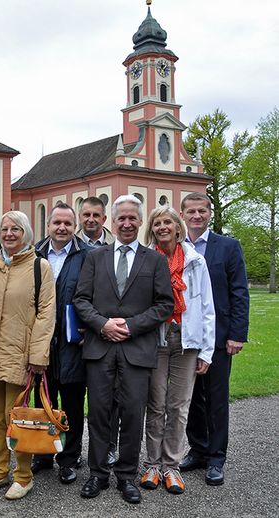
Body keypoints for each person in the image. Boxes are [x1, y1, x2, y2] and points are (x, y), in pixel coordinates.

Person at [74, 194, 174, 504]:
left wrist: (130, 326)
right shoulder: (95, 257)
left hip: (137, 348)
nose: (127, 223)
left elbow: (164, 304)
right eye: (122, 218)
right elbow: (81, 300)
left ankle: (127, 476)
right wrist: (103, 324)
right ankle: (98, 473)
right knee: (99, 412)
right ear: (112, 222)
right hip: (100, 346)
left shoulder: (154, 260)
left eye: (133, 218)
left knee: (132, 414)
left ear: (140, 221)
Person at [0, 210, 55, 500]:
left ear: (25, 233)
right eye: (4, 229)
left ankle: (23, 476)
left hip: (21, 356)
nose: (8, 234)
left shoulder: (40, 267)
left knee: (17, 418)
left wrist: (38, 356)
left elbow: (46, 314)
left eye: (15, 229)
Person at [140, 206, 215, 494]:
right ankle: (152, 464)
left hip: (187, 340)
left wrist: (206, 351)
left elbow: (207, 307)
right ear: (152, 228)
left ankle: (171, 466)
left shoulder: (195, 261)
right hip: (156, 340)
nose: (162, 227)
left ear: (177, 227)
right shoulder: (147, 259)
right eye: (157, 223)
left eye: (167, 222)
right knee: (156, 404)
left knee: (179, 406)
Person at [179, 192, 249, 486]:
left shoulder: (228, 247)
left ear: (210, 213)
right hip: (186, 337)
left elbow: (239, 291)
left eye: (202, 211)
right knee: (192, 398)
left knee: (216, 399)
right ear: (183, 215)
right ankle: (198, 450)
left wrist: (237, 334)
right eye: (191, 211)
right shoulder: (177, 247)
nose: (197, 216)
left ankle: (217, 458)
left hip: (219, 337)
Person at [32, 203, 90, 484]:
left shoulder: (87, 255)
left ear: (75, 226)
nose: (62, 228)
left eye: (68, 223)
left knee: (72, 404)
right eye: (57, 222)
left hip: (73, 342)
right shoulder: (34, 253)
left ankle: (68, 458)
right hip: (41, 341)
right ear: (49, 225)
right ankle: (43, 455)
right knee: (43, 400)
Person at [74, 195, 120, 468]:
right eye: (86, 215)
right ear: (80, 218)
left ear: (104, 219)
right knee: (75, 395)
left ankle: (108, 447)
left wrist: (103, 326)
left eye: (96, 215)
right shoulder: (71, 246)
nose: (90, 220)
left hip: (106, 332)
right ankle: (73, 450)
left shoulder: (115, 248)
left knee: (109, 398)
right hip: (76, 333)